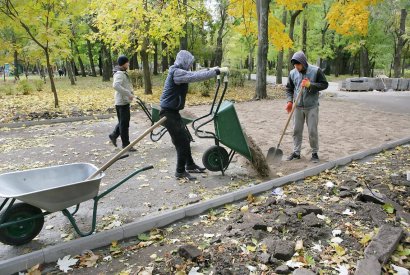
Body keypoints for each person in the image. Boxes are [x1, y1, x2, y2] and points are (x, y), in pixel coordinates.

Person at [160, 50, 228, 180]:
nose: (190, 66)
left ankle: (190, 165)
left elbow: (193, 73)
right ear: (184, 61)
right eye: (189, 63)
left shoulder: (179, 71)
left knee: (184, 138)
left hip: (172, 112)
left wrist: (211, 69)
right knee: (182, 142)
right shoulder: (177, 73)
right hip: (168, 114)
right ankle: (180, 172)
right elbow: (194, 77)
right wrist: (215, 72)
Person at [285, 51, 328, 163]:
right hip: (297, 106)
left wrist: (310, 85)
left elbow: (324, 84)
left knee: (312, 131)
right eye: (294, 65)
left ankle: (314, 153)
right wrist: (289, 101)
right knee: (296, 130)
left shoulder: (316, 71)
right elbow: (289, 89)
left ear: (303, 62)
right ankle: (296, 153)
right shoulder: (292, 73)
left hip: (311, 106)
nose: (296, 67)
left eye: (298, 64)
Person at [109, 55, 136, 152]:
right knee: (124, 124)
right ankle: (126, 145)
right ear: (124, 63)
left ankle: (114, 135)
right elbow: (116, 85)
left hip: (122, 101)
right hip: (122, 102)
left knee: (123, 123)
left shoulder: (121, 72)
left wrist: (130, 92)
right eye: (127, 62)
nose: (128, 64)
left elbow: (123, 85)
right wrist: (128, 93)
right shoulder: (119, 73)